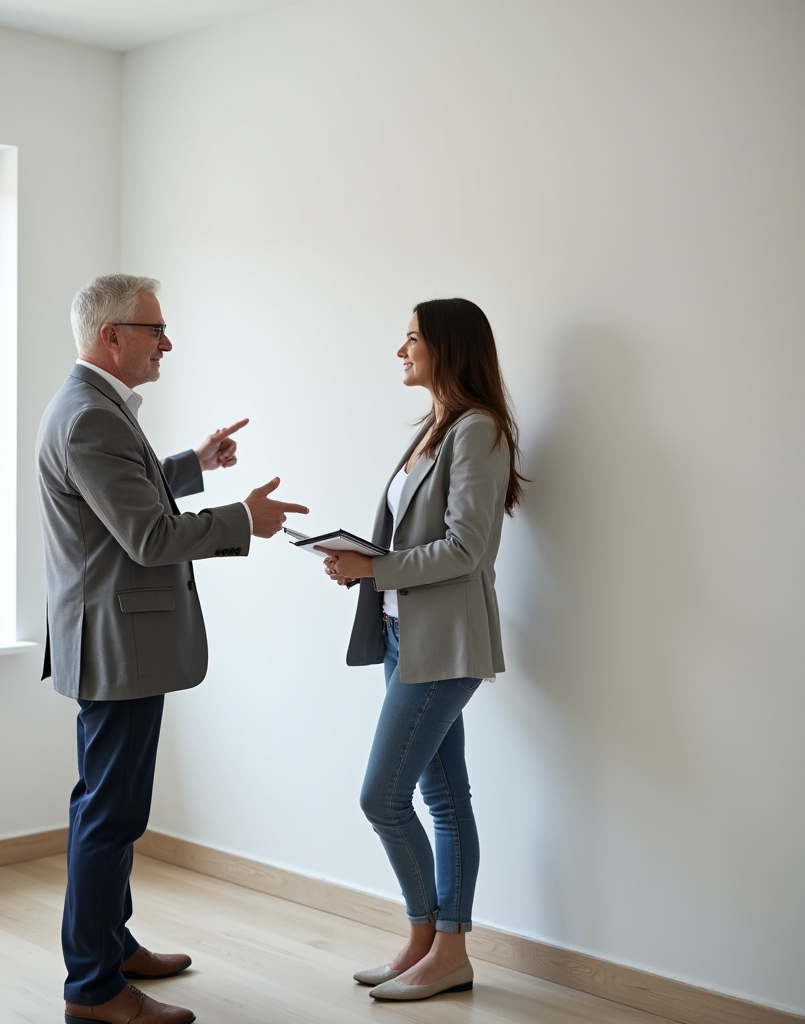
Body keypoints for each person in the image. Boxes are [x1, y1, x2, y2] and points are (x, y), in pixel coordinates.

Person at [36, 274, 308, 1024]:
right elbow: (148, 535)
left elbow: (133, 487)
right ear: (109, 337)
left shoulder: (94, 407)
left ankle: (112, 944)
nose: (167, 342)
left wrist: (193, 463)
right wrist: (241, 518)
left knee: (109, 805)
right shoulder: (89, 416)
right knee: (110, 812)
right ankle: (93, 988)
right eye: (155, 329)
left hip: (116, 637)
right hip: (117, 641)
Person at [317, 298, 525, 1002]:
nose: (400, 351)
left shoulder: (479, 432)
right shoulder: (432, 430)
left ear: (448, 347)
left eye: (411, 339)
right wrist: (361, 560)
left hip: (445, 639)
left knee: (383, 797)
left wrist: (373, 568)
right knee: (441, 794)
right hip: (402, 635)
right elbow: (415, 534)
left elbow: (468, 549)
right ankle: (427, 942)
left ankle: (448, 946)